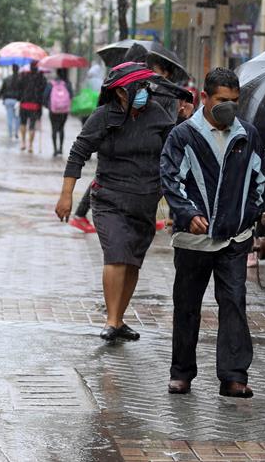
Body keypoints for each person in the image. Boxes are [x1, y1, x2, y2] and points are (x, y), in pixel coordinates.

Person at [160, 68, 265, 398]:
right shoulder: (183, 136)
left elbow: (262, 183)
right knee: (187, 304)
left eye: (235, 101)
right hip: (194, 240)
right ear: (204, 98)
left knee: (234, 302)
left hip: (234, 239)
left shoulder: (248, 135)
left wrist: (245, 218)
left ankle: (234, 376)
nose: (229, 107)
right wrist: (189, 213)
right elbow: (171, 179)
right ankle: (181, 373)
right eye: (222, 100)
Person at [55, 62, 174, 342]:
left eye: (146, 86)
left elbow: (173, 152)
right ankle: (110, 320)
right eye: (138, 87)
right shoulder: (103, 116)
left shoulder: (157, 113)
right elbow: (78, 153)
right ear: (121, 92)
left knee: (132, 262)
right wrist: (66, 195)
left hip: (145, 201)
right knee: (117, 254)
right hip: (110, 199)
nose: (144, 92)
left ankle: (118, 320)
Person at [17, 62, 48, 152]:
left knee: (23, 123)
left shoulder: (24, 76)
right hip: (35, 106)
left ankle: (23, 142)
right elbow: (44, 92)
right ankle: (30, 145)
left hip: (24, 104)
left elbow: (19, 88)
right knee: (32, 126)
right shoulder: (41, 78)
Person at [44, 68, 74, 156]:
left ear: (57, 73)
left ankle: (55, 150)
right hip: (64, 111)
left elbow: (45, 96)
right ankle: (60, 148)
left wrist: (48, 106)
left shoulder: (51, 84)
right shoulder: (67, 84)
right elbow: (71, 96)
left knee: (54, 129)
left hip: (53, 110)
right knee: (61, 128)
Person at [0, 65, 21, 139]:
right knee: (17, 117)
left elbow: (2, 89)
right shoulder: (21, 79)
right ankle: (16, 132)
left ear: (12, 69)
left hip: (8, 100)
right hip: (17, 100)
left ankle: (10, 133)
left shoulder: (7, 79)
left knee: (9, 117)